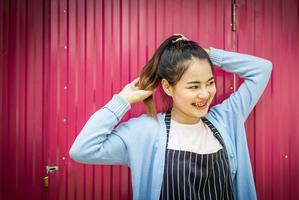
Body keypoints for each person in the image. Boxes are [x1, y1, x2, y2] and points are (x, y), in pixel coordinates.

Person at [69, 34, 273, 200]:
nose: (205, 94)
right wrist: (122, 100)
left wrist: (204, 54)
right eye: (194, 86)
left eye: (210, 83)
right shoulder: (145, 132)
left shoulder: (226, 118)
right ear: (168, 87)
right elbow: (82, 150)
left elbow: (262, 69)